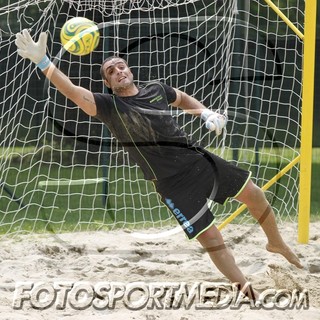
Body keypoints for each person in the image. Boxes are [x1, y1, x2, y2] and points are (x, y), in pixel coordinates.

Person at [15, 30, 303, 301]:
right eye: (110, 71)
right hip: (170, 183)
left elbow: (180, 98)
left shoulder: (156, 89)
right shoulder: (108, 106)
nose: (118, 71)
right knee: (212, 238)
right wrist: (44, 62)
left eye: (121, 66)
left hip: (197, 160)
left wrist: (205, 113)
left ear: (130, 70)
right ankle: (244, 287)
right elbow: (74, 92)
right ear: (108, 83)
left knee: (253, 193)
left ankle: (275, 242)